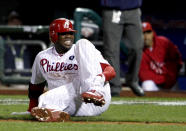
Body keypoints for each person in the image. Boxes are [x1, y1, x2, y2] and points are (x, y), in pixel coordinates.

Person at [27, 18, 116, 122]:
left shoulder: (82, 50)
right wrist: (30, 109)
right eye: (64, 33)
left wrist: (100, 79)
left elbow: (111, 71)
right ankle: (57, 114)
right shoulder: (42, 57)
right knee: (44, 100)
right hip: (73, 102)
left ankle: (94, 90)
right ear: (53, 35)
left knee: (83, 42)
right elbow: (35, 86)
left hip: (97, 98)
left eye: (70, 33)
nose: (68, 36)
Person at [100, 0, 145, 96]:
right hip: (111, 9)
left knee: (137, 47)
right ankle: (114, 85)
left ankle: (132, 80)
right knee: (111, 50)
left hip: (133, 9)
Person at [139, 22, 183, 91]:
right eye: (143, 33)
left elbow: (177, 60)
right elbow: (144, 76)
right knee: (147, 84)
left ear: (153, 33)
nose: (146, 36)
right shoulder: (139, 52)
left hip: (171, 83)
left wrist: (171, 77)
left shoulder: (164, 43)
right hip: (156, 85)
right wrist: (163, 78)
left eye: (148, 32)